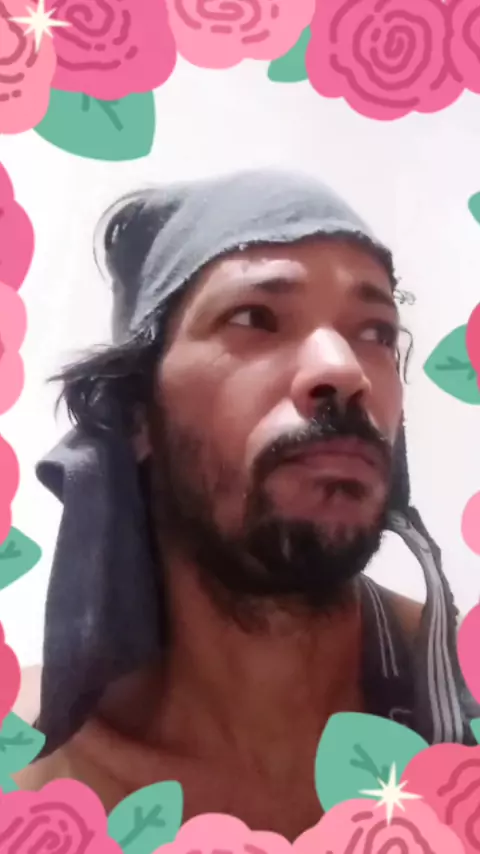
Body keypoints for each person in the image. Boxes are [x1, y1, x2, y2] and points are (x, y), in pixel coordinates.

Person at [15, 170, 478, 838]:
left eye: (376, 331)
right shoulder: (32, 776)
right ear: (138, 413)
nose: (344, 369)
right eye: (255, 318)